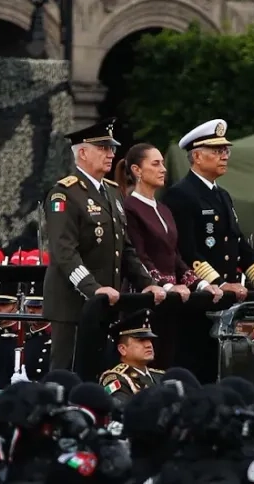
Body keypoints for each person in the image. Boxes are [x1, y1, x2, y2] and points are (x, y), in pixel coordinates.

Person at [42, 118, 163, 370]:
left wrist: (147, 284)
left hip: (107, 305)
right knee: (68, 374)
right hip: (73, 307)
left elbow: (125, 248)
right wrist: (92, 288)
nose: (111, 154)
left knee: (101, 373)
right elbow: (65, 252)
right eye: (104, 148)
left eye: (112, 148)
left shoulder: (112, 191)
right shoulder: (64, 193)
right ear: (83, 152)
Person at [161, 119, 254, 298]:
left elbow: (238, 243)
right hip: (198, 294)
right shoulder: (180, 194)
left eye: (226, 150)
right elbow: (186, 250)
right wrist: (219, 283)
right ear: (197, 157)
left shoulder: (223, 195)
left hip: (225, 294)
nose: (225, 156)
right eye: (217, 151)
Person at [115, 143, 222, 303]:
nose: (163, 169)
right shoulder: (129, 207)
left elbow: (175, 256)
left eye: (163, 163)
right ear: (137, 170)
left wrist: (201, 284)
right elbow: (139, 256)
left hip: (172, 296)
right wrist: (166, 286)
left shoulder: (163, 209)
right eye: (155, 164)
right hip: (144, 295)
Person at [100, 311, 165, 401]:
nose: (149, 345)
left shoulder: (161, 376)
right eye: (141, 340)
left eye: (150, 340)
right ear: (122, 349)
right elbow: (121, 409)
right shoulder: (117, 379)